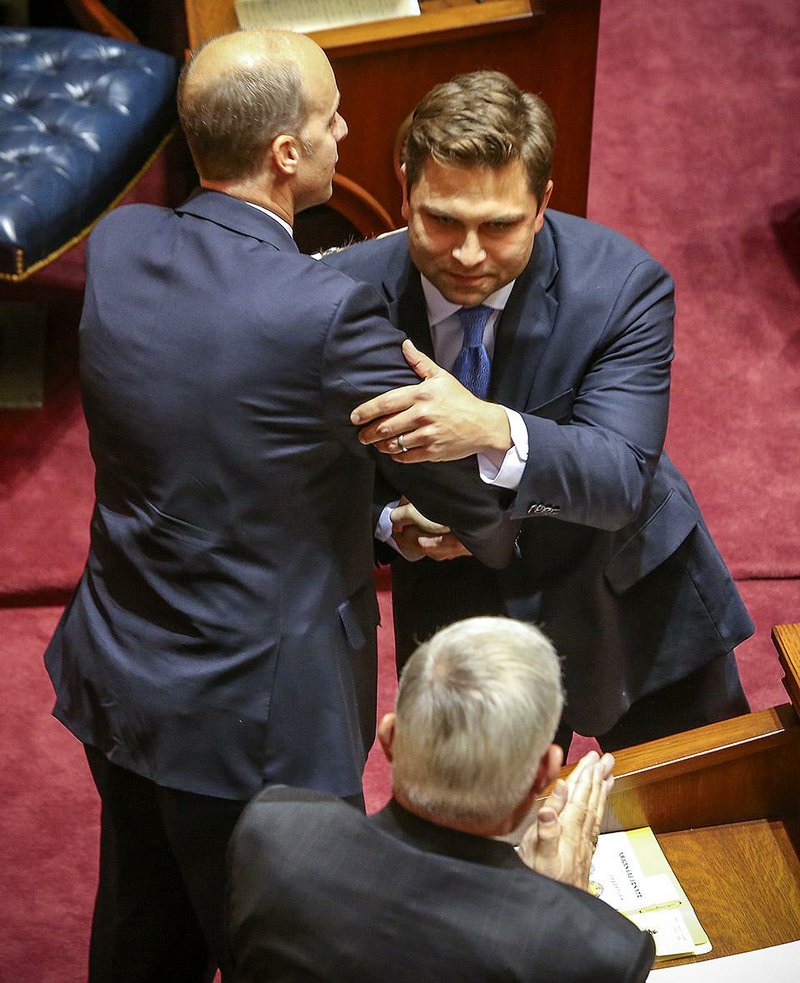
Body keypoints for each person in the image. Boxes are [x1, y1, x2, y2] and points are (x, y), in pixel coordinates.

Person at [42, 34, 519, 982]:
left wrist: (370, 520)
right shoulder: (328, 314)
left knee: (142, 938)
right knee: (292, 960)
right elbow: (462, 486)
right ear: (287, 154)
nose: (347, 127)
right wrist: (496, 443)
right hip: (258, 728)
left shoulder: (122, 245)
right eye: (331, 113)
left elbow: (226, 438)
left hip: (120, 677)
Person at [324, 70, 753, 753]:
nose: (466, 253)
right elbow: (314, 468)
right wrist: (386, 524)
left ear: (543, 202)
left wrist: (488, 427)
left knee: (695, 831)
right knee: (481, 847)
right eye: (441, 219)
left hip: (626, 598)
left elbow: (617, 478)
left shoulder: (622, 288)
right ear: (405, 189)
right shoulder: (340, 295)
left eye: (498, 227)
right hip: (458, 618)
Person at [227, 617, 656, 982]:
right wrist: (561, 907)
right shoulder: (598, 951)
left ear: (390, 738)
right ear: (543, 772)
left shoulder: (271, 834)